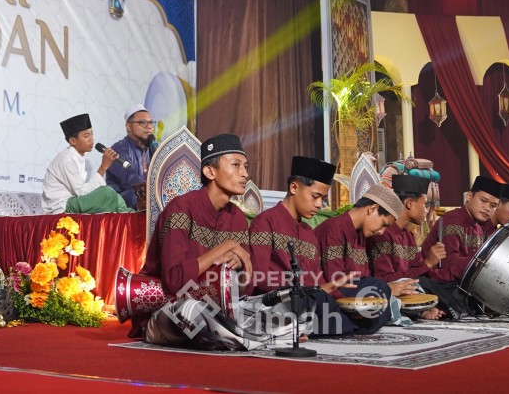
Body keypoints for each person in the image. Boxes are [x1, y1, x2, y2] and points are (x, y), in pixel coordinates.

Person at [249, 156, 387, 336]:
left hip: (310, 300)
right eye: (315, 196)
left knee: (363, 308)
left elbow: (318, 280)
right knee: (326, 308)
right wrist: (308, 290)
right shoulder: (265, 222)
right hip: (280, 301)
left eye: (323, 198)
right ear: (294, 188)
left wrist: (341, 300)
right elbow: (259, 277)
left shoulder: (308, 232)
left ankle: (338, 323)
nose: (319, 205)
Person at [140, 134, 253, 346]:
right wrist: (226, 247)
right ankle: (236, 335)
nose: (245, 173)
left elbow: (244, 291)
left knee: (268, 308)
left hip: (218, 310)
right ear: (210, 172)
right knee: (193, 312)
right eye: (236, 165)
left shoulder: (237, 217)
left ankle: (233, 335)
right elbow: (173, 281)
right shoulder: (181, 208)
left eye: (246, 167)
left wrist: (242, 267)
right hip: (170, 308)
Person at [314, 183, 406, 329]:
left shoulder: (361, 235)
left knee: (380, 290)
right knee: (379, 287)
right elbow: (335, 282)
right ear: (373, 209)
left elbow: (363, 278)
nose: (382, 232)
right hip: (329, 294)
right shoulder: (334, 229)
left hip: (351, 292)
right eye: (383, 224)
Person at [420, 176, 502, 317]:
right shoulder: (452, 219)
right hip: (439, 283)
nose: (487, 208)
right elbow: (448, 262)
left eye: (493, 206)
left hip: (460, 284)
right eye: (483, 201)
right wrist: (482, 265)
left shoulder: (480, 227)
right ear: (469, 196)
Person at [367, 175, 447, 320]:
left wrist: (430, 266)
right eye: (424, 204)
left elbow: (416, 271)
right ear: (409, 203)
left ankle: (421, 308)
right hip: (383, 295)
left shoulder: (408, 235)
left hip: (409, 292)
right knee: (425, 284)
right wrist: (428, 263)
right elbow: (384, 279)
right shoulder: (382, 233)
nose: (426, 210)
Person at [41, 113, 132, 214]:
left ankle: (130, 215)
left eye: (92, 134)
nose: (92, 139)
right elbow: (82, 192)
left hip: (75, 200)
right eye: (86, 136)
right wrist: (103, 167)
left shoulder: (76, 157)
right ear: (73, 141)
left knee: (115, 196)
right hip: (62, 206)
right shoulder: (67, 160)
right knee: (107, 193)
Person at [105, 104, 155, 210]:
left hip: (148, 194)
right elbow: (130, 178)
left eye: (151, 122)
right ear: (128, 126)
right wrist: (154, 191)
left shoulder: (152, 148)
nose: (149, 126)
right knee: (136, 194)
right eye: (142, 122)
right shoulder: (118, 149)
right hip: (123, 199)